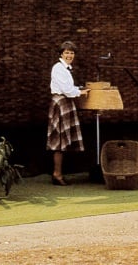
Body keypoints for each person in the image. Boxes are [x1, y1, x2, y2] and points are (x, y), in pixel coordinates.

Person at [47, 40, 88, 186]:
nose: (69, 55)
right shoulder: (58, 68)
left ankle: (58, 173)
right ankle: (57, 174)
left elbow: (69, 87)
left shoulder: (66, 69)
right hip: (61, 103)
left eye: (71, 53)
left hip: (66, 103)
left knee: (63, 142)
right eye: (67, 53)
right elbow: (67, 90)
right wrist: (80, 92)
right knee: (59, 142)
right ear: (61, 54)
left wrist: (79, 89)